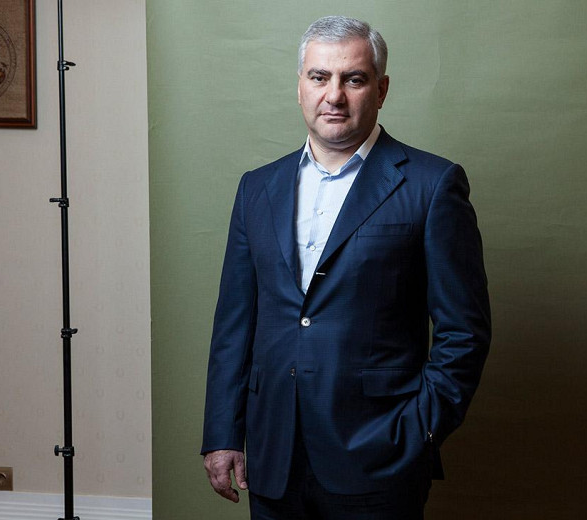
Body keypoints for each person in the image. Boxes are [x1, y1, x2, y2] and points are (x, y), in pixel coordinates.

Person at [202, 15, 491, 520]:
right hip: (273, 456)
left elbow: (464, 332)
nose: (333, 95)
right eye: (319, 77)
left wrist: (418, 430)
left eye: (353, 79)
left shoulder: (432, 185)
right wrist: (223, 433)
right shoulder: (257, 188)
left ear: (381, 90)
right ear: (300, 86)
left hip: (380, 459)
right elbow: (234, 324)